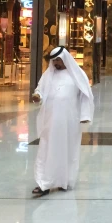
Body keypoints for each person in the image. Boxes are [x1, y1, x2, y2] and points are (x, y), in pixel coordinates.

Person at [31, 47, 94, 197]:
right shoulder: (49, 75)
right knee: (46, 149)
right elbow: (40, 89)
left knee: (67, 150)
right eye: (54, 61)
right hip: (50, 121)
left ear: (65, 59)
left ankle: (63, 181)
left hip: (69, 121)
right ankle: (43, 182)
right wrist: (37, 96)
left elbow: (86, 95)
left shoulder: (77, 75)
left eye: (58, 60)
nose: (56, 63)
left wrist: (85, 115)